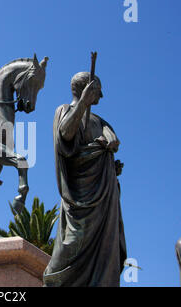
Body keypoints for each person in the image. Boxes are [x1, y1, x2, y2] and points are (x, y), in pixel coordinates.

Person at [43, 72, 127, 287]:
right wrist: (83, 103)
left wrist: (108, 166)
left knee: (106, 250)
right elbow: (66, 136)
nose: (103, 95)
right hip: (80, 197)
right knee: (70, 246)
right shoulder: (65, 110)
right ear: (86, 89)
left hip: (104, 196)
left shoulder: (101, 122)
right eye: (98, 90)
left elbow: (97, 151)